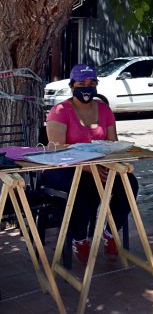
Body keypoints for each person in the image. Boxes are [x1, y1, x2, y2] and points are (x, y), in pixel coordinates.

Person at [44, 63, 139, 265]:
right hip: (64, 168)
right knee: (87, 186)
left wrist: (115, 165)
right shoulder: (60, 111)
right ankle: (79, 238)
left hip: (99, 166)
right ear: (71, 86)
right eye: (81, 84)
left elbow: (112, 144)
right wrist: (88, 167)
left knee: (129, 183)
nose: (87, 87)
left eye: (91, 83)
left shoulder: (104, 109)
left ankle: (110, 233)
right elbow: (57, 149)